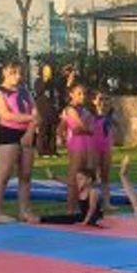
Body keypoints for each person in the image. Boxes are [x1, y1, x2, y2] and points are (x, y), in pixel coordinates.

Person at [0, 60, 38, 224]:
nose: (17, 77)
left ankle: (24, 210)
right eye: (13, 73)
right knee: (4, 174)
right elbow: (6, 115)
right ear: (4, 72)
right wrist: (32, 118)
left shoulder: (25, 91)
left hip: (27, 133)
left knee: (26, 174)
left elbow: (35, 112)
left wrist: (30, 131)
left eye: (19, 73)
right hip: (9, 133)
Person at [57, 83, 94, 215]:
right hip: (76, 143)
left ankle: (81, 207)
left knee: (85, 176)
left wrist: (87, 129)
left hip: (86, 143)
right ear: (71, 94)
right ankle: (70, 208)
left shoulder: (85, 110)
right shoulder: (70, 109)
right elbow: (79, 127)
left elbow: (89, 127)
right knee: (74, 176)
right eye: (79, 93)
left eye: (84, 93)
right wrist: (62, 137)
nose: (82, 96)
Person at [38, 167, 103, 226]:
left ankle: (97, 222)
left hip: (94, 216)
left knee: (94, 221)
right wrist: (55, 177)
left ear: (89, 180)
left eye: (81, 179)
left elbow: (92, 208)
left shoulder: (93, 192)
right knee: (66, 218)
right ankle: (41, 219)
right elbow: (68, 183)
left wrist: (85, 222)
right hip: (83, 215)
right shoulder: (80, 189)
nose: (78, 181)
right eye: (77, 179)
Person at [90, 89, 115, 210]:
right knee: (93, 175)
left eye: (106, 99)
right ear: (94, 101)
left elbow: (110, 131)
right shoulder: (90, 116)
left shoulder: (110, 116)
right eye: (100, 99)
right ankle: (92, 203)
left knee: (105, 175)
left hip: (106, 147)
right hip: (94, 146)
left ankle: (107, 202)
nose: (103, 102)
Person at [34, 62, 60, 157]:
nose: (48, 72)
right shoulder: (38, 81)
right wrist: (45, 81)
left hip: (52, 108)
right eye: (46, 70)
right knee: (43, 130)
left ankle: (52, 150)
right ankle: (42, 150)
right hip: (42, 108)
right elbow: (39, 91)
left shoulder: (53, 82)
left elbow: (56, 94)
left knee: (52, 130)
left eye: (49, 70)